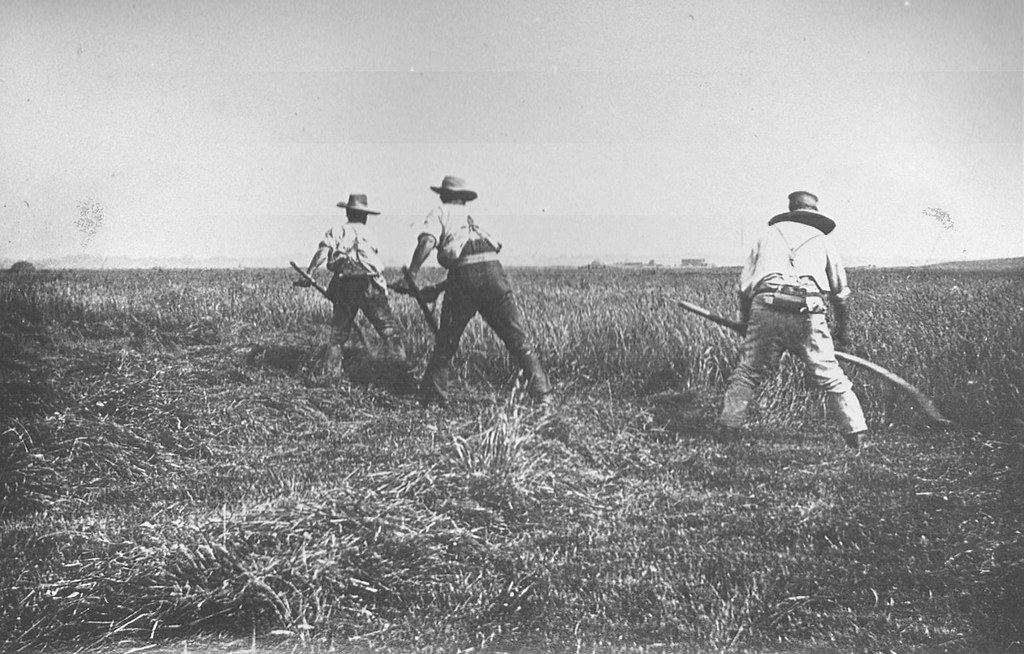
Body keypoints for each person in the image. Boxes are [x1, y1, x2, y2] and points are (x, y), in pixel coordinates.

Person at [717, 191, 868, 448]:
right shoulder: (823, 240)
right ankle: (858, 435)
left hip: (765, 307)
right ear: (813, 215)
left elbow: (744, 290)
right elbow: (840, 295)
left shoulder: (765, 237)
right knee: (831, 375)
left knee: (748, 372)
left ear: (791, 211)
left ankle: (727, 430)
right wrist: (842, 332)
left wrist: (746, 323)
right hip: (808, 310)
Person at [401, 175, 552, 406]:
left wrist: (412, 274)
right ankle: (543, 395)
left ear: (444, 195)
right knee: (517, 339)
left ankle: (433, 398)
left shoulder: (440, 212)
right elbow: (479, 261)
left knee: (446, 342)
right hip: (495, 276)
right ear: (464, 197)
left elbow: (428, 243)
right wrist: (439, 288)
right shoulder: (478, 216)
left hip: (465, 279)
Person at [296, 194, 410, 377]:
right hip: (370, 284)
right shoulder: (370, 235)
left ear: (348, 213)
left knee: (338, 336)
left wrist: (310, 273)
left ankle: (330, 376)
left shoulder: (337, 230)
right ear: (365, 216)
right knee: (389, 332)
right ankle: (402, 376)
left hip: (346, 284)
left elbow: (323, 251)